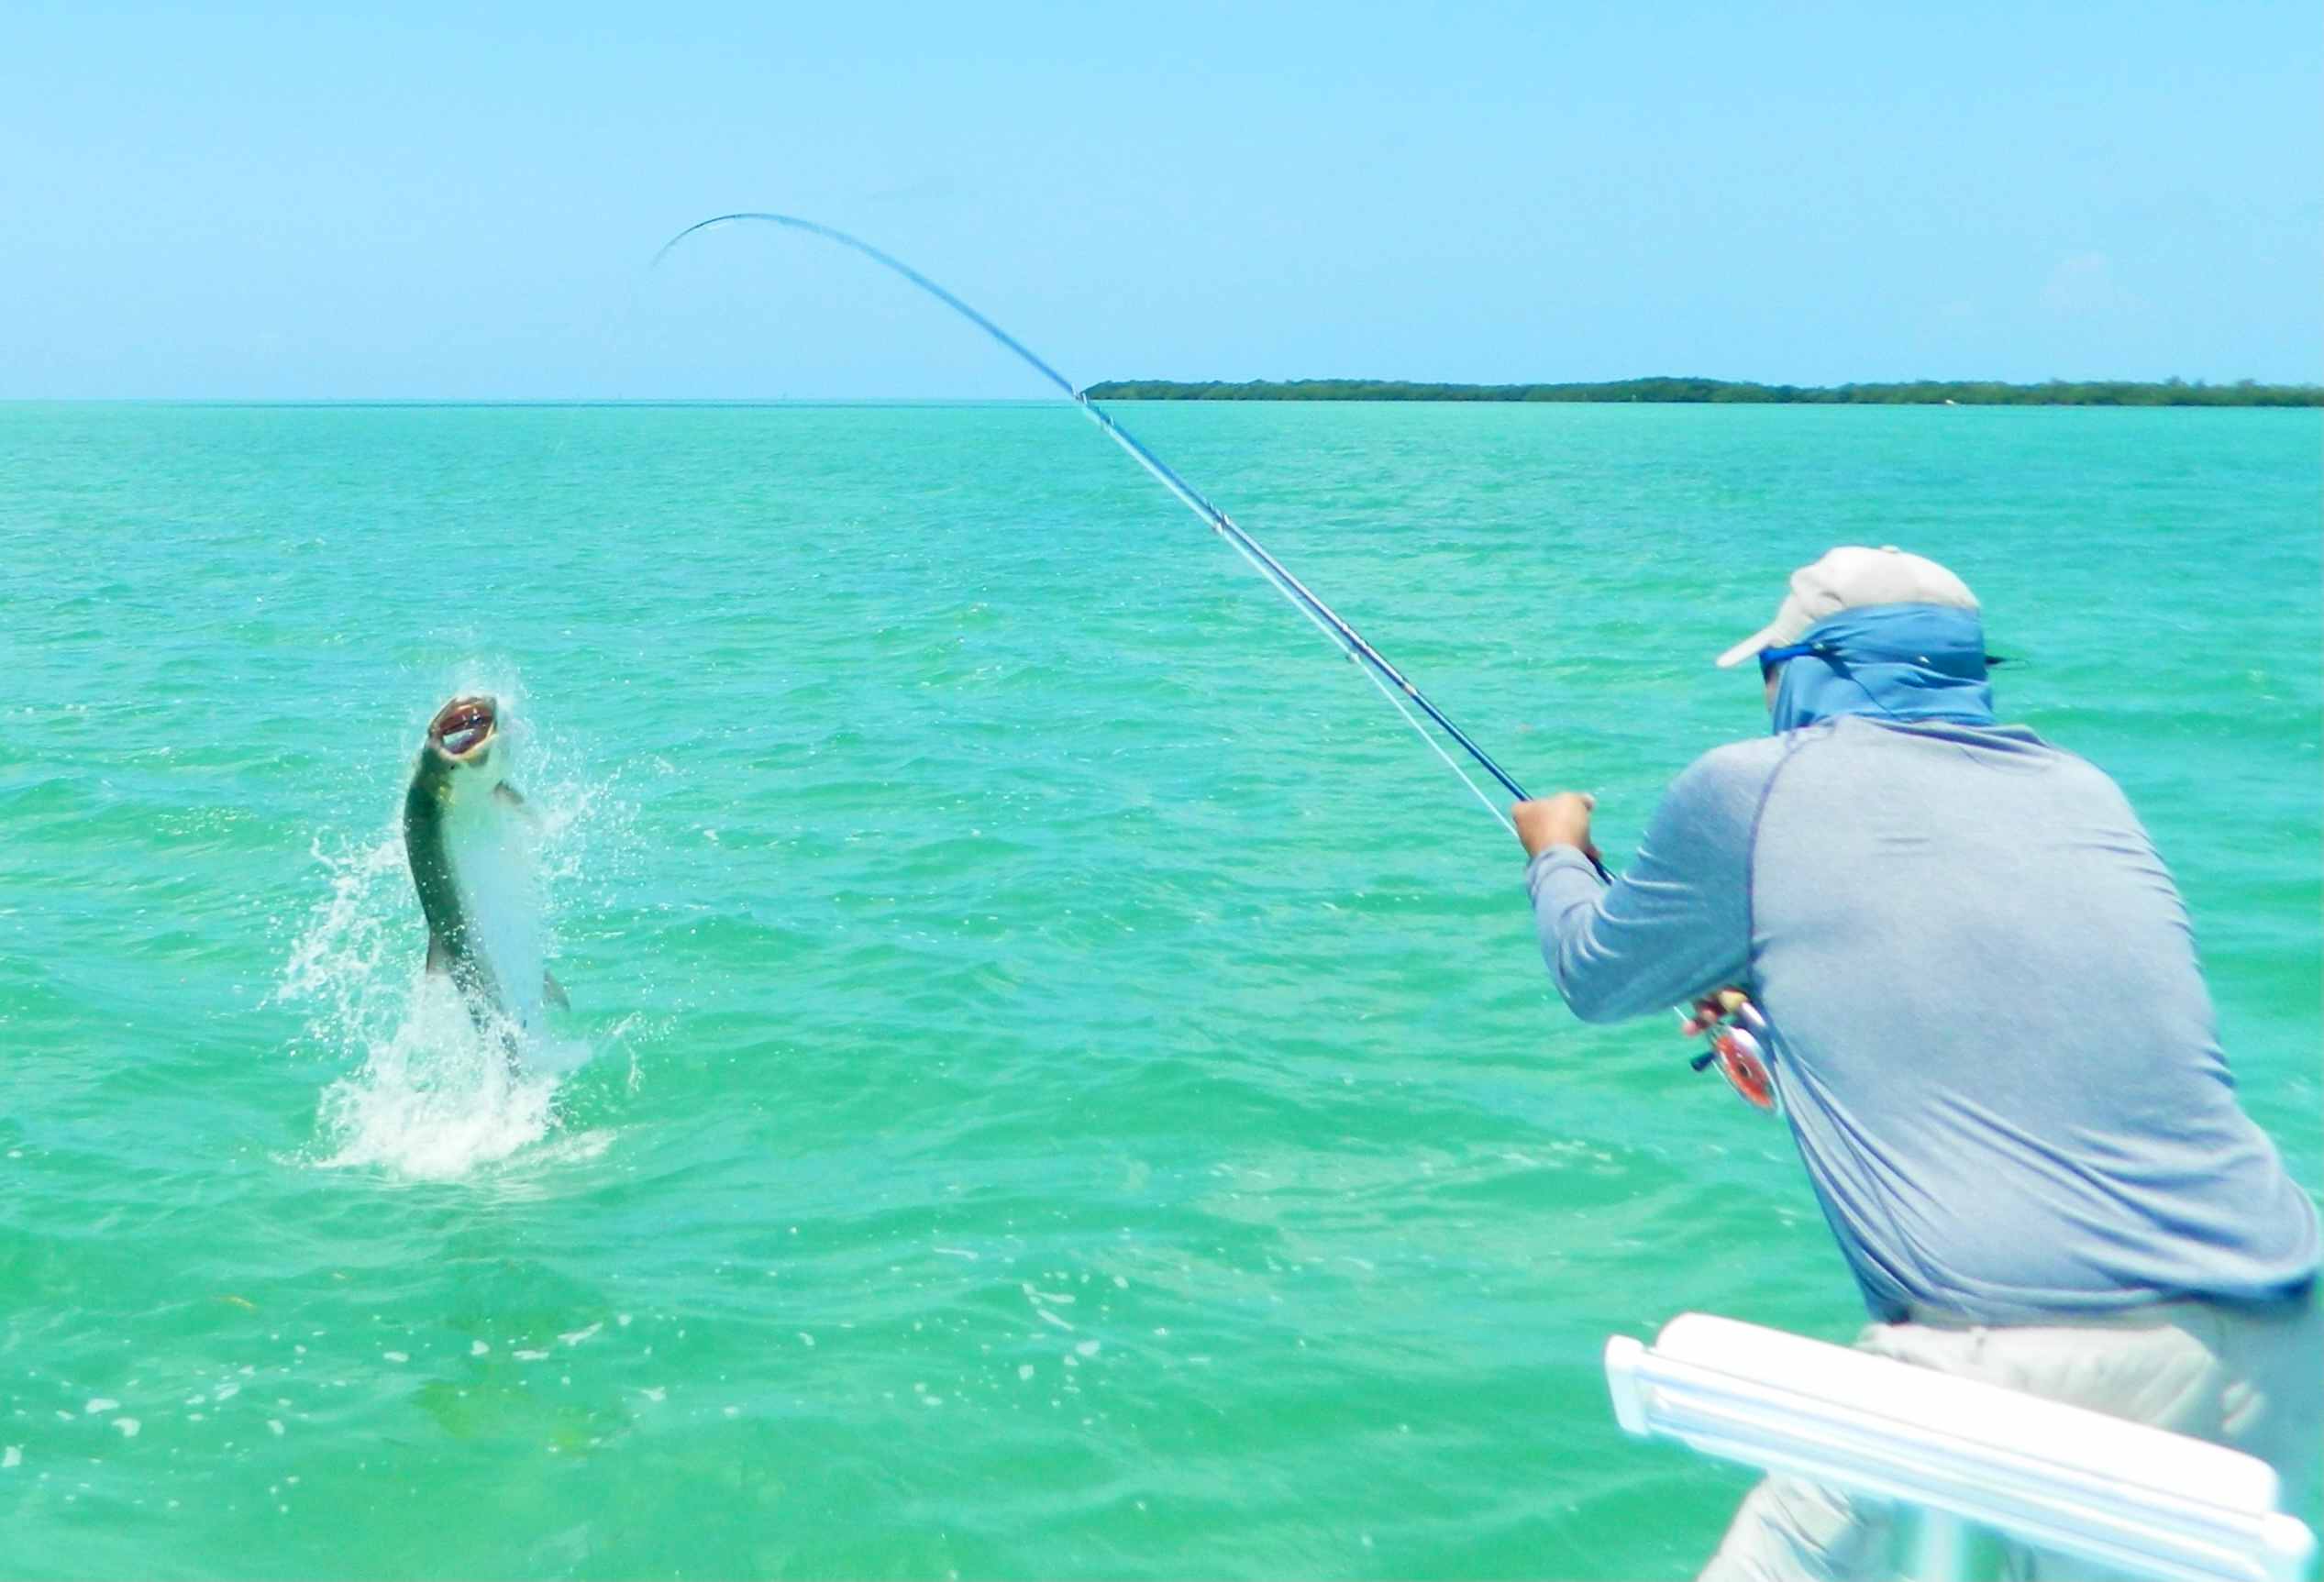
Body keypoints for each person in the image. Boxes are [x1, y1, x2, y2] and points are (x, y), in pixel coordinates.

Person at [1511, 547, 2320, 1581]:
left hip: (2013, 1349)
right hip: (2276, 1336)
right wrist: (1775, 1020)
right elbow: (1997, 1004)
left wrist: (1556, 852)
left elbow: (1594, 974)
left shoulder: (1745, 787)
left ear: (1804, 669)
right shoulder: (2081, 790)